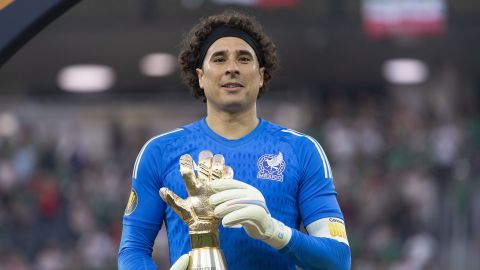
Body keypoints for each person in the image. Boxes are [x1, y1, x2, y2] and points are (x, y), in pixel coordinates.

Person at [118, 10, 351, 270]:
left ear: (260, 75)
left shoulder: (301, 151)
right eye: (219, 59)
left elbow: (338, 260)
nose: (232, 68)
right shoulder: (160, 152)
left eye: (243, 58)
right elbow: (132, 251)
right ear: (200, 76)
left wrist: (273, 231)